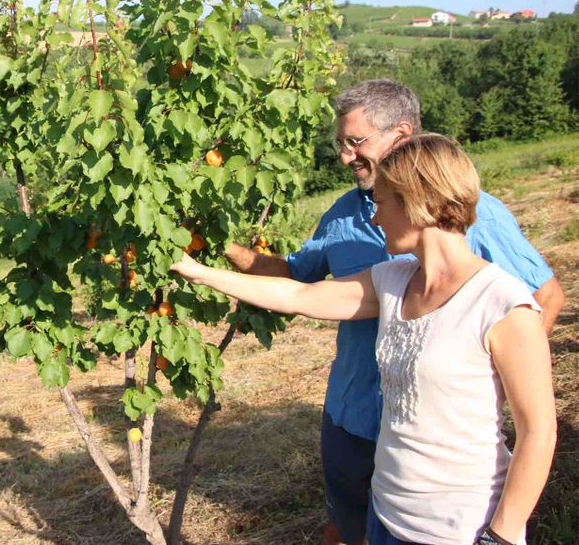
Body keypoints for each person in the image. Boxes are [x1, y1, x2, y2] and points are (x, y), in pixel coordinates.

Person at [223, 80, 564, 545]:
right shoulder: (345, 216)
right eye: (340, 144)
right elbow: (297, 282)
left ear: (401, 133)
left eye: (354, 141)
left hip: (440, 454)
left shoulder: (476, 215)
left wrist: (490, 387)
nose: (345, 156)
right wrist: (215, 248)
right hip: (353, 416)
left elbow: (544, 297)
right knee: (351, 525)